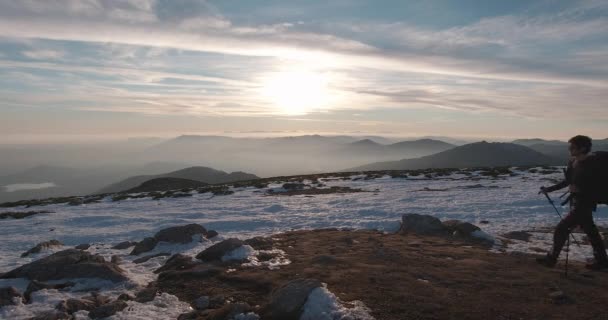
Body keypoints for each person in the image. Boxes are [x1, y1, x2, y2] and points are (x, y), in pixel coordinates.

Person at [537, 135, 608, 270]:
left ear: (583, 148)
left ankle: (551, 259)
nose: (570, 149)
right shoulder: (573, 162)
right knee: (591, 231)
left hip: (585, 203)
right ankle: (602, 261)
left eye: (572, 147)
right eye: (570, 147)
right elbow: (568, 181)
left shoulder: (593, 164)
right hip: (577, 202)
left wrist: (580, 189)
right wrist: (549, 189)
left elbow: (597, 187)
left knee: (561, 229)